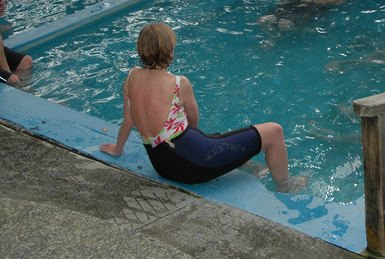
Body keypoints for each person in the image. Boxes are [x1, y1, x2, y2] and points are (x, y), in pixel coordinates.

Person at [100, 22, 305, 192]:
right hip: (195, 167)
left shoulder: (131, 77)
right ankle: (285, 186)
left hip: (164, 167)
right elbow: (193, 122)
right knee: (274, 132)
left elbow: (128, 122)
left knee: (218, 137)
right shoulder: (178, 83)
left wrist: (118, 150)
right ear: (169, 49)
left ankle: (249, 165)